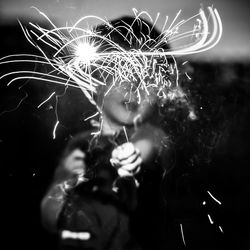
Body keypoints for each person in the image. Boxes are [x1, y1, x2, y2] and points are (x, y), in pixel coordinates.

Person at [41, 16, 172, 250]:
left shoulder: (152, 136)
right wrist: (63, 183)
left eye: (148, 76)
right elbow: (49, 220)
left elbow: (147, 144)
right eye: (122, 74)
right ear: (95, 85)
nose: (136, 85)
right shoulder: (80, 146)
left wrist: (132, 153)